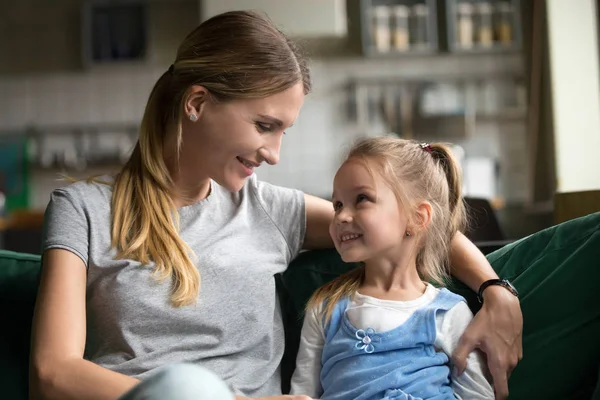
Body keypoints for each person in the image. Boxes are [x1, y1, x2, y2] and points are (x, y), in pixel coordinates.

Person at [28, 10, 521, 400]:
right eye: (265, 125)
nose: (274, 153)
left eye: (284, 132)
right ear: (196, 103)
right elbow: (52, 373)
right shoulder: (83, 209)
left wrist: (497, 291)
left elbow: (410, 224)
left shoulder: (269, 210)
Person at [290, 138, 495, 399]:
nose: (340, 216)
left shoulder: (448, 312)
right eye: (337, 204)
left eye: (362, 199)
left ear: (417, 217)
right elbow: (301, 394)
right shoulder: (324, 307)